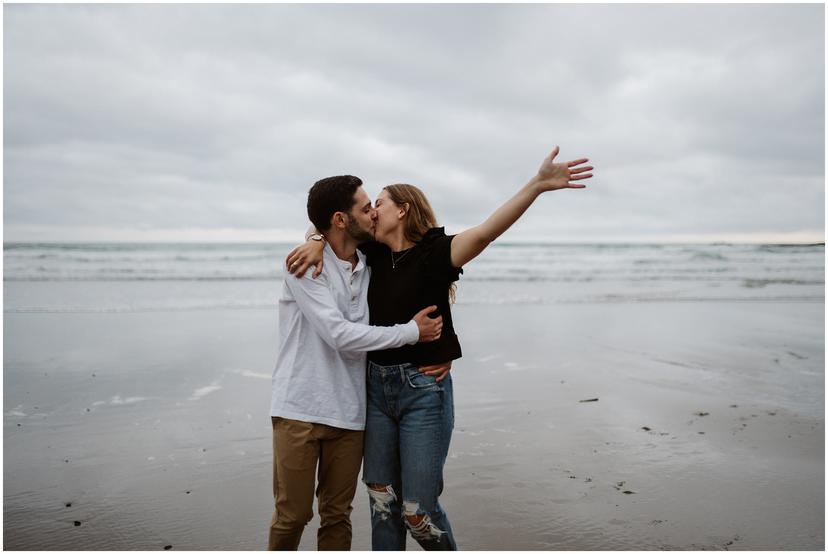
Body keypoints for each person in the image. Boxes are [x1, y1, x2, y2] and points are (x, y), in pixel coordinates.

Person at [286, 147, 593, 550]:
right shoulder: (372, 253)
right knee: (382, 502)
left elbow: (485, 232)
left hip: (423, 392)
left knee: (418, 511)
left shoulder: (436, 252)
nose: (373, 212)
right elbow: (337, 230)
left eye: (379, 204)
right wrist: (313, 239)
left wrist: (535, 186)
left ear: (404, 210)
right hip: (375, 391)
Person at [268, 175, 448, 551]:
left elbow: (416, 277)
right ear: (340, 219)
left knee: (337, 516)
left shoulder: (370, 262)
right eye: (365, 208)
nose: (372, 214)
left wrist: (438, 350)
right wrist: (412, 333)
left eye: (374, 206)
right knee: (293, 516)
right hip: (300, 410)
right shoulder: (303, 265)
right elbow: (341, 335)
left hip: (351, 414)